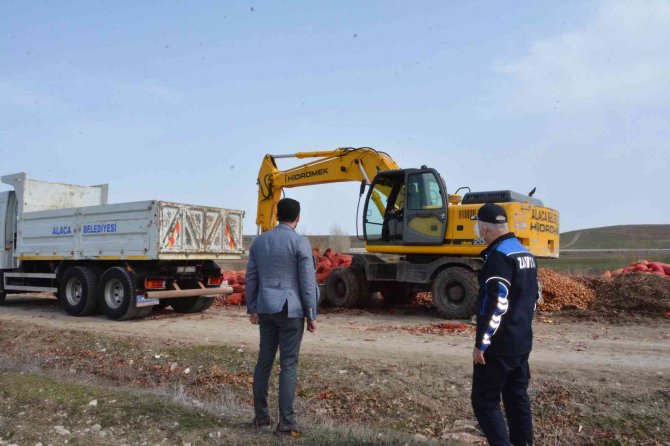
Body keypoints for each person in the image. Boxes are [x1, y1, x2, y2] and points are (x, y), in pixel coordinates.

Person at [245, 197, 319, 437]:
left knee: (264, 362)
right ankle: (286, 424)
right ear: (297, 218)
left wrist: (252, 308)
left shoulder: (259, 242)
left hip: (266, 308)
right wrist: (311, 314)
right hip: (291, 311)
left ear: (277, 215)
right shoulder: (300, 242)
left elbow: (251, 277)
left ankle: (261, 417)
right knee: (288, 365)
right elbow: (308, 281)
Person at [470, 203, 539, 446]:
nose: (477, 230)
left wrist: (482, 344)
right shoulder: (524, 253)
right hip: (521, 342)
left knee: (484, 402)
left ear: (485, 228)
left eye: (478, 226)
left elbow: (496, 302)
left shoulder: (498, 257)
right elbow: (534, 297)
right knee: (516, 397)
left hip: (499, 347)